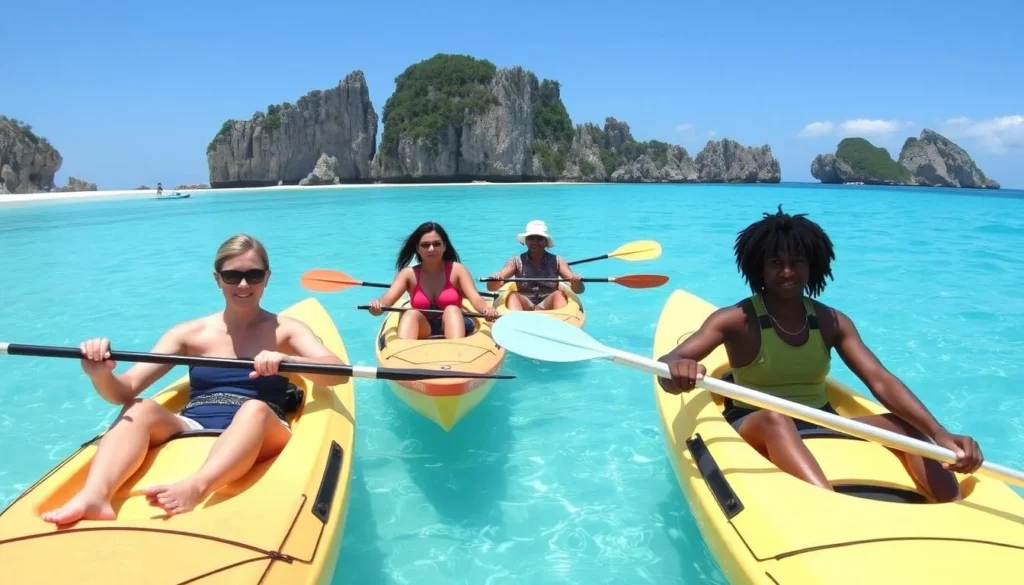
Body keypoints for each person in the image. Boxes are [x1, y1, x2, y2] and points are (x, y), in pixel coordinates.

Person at [656, 205, 983, 503]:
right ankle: (831, 506)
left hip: (822, 419)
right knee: (775, 417)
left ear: (813, 266)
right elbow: (667, 365)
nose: (787, 272)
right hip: (755, 423)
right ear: (758, 268)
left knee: (905, 426)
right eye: (776, 263)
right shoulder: (735, 320)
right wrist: (678, 370)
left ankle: (952, 504)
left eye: (797, 262)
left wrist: (938, 432)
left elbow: (879, 379)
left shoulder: (831, 321)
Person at [40, 234, 349, 525]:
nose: (243, 284)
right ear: (218, 279)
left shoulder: (286, 330)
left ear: (267, 277)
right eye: (232, 276)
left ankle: (196, 486)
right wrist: (99, 374)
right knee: (139, 407)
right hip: (195, 424)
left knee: (253, 409)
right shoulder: (188, 333)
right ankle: (95, 496)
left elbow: (336, 373)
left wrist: (288, 360)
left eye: (254, 275)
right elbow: (125, 390)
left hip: (263, 428)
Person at [368, 221, 498, 339]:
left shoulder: (458, 270)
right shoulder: (408, 274)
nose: (431, 249)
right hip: (424, 327)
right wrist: (378, 306)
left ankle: (457, 353)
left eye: (436, 244)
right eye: (425, 245)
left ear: (444, 246)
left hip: (456, 322)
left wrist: (486, 310)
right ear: (418, 249)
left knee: (452, 309)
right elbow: (387, 300)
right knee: (411, 313)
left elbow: (474, 298)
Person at [486, 220, 584, 311]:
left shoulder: (558, 261)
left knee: (558, 294)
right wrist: (495, 278)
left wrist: (576, 281)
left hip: (548, 302)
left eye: (539, 239)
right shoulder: (515, 261)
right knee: (512, 296)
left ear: (546, 242)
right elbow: (492, 288)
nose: (535, 242)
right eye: (531, 238)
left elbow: (579, 290)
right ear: (526, 241)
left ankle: (560, 323)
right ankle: (516, 321)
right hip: (525, 302)